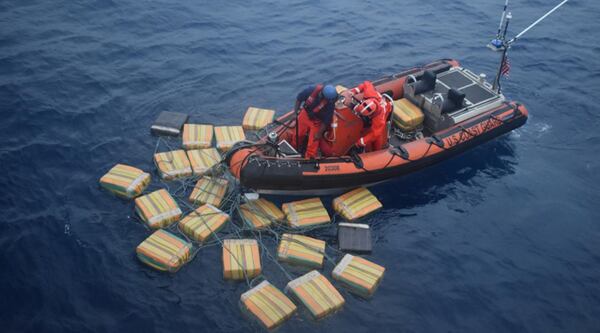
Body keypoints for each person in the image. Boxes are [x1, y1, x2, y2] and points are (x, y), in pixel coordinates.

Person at [292, 84, 338, 158]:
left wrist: (319, 133)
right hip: (305, 114)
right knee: (298, 134)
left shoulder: (330, 103)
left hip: (317, 121)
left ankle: (309, 158)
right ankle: (293, 149)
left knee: (313, 142)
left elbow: (326, 121)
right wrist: (295, 113)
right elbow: (299, 99)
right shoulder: (310, 90)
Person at [345, 80, 391, 152]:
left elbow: (375, 134)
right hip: (373, 104)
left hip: (386, 110)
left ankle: (377, 152)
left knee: (378, 137)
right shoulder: (369, 93)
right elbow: (366, 84)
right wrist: (354, 91)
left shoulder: (379, 119)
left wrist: (360, 142)